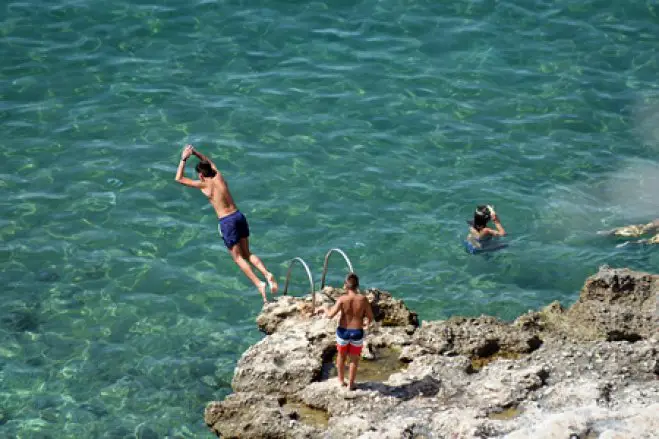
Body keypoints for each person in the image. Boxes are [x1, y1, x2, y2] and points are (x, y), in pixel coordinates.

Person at [175, 144, 278, 303]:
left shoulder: (204, 185)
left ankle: (259, 284)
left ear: (201, 176)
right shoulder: (218, 176)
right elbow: (208, 161)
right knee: (247, 253)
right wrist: (195, 152)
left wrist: (184, 158)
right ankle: (266, 273)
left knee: (237, 258)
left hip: (227, 221)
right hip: (238, 216)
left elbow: (179, 178)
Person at [317, 273, 374, 390]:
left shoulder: (342, 299)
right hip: (357, 332)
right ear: (357, 286)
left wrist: (324, 308)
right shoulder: (363, 299)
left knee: (341, 356)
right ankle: (351, 384)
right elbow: (370, 317)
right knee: (354, 358)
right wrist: (366, 324)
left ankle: (341, 381)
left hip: (343, 332)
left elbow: (330, 315)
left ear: (345, 286)